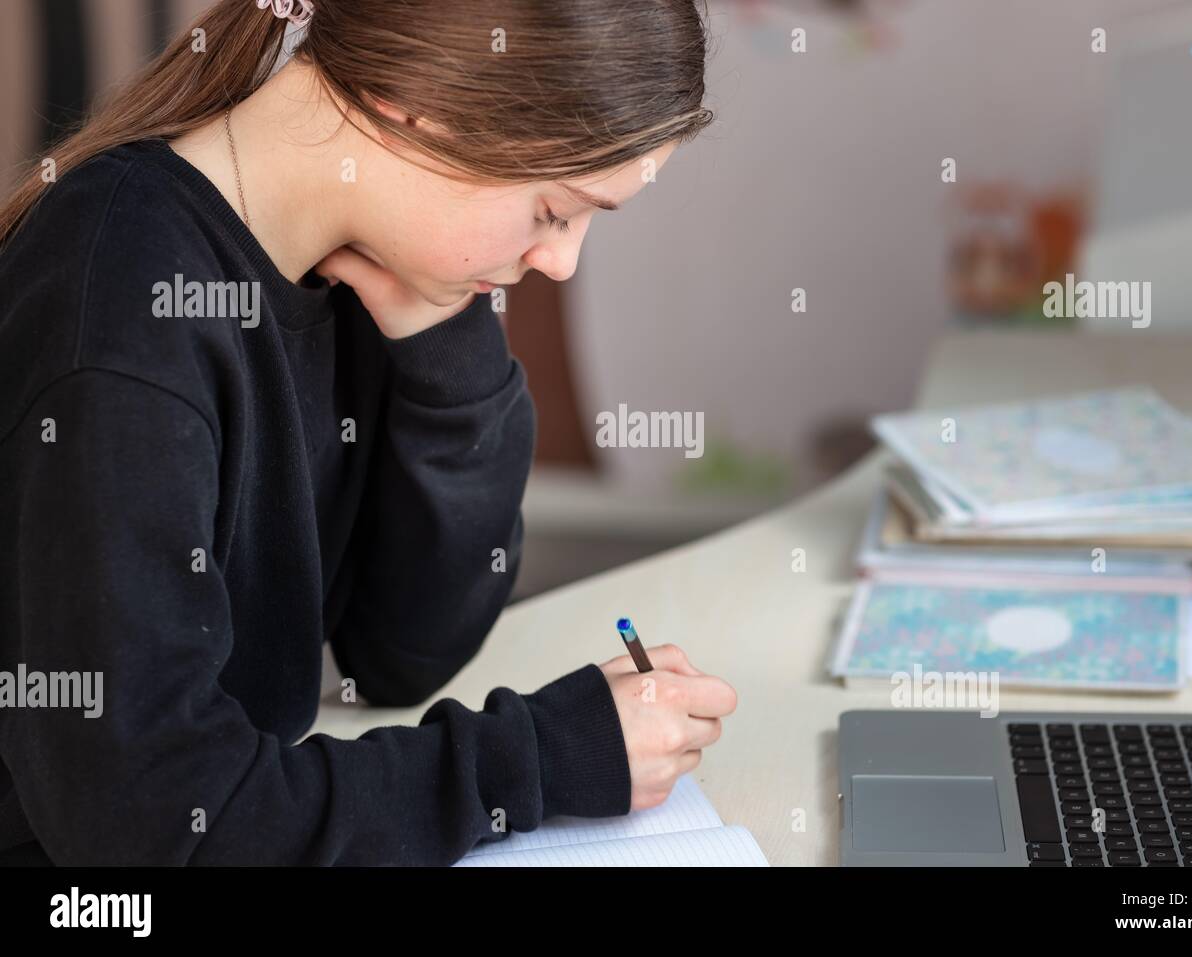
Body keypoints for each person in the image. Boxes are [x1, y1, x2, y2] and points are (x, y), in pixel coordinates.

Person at [0, 0, 736, 866]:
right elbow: (153, 821)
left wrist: (449, 353)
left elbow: (399, 654)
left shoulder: (358, 261)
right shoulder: (127, 325)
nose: (561, 260)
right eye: (553, 210)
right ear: (417, 104)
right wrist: (539, 756)